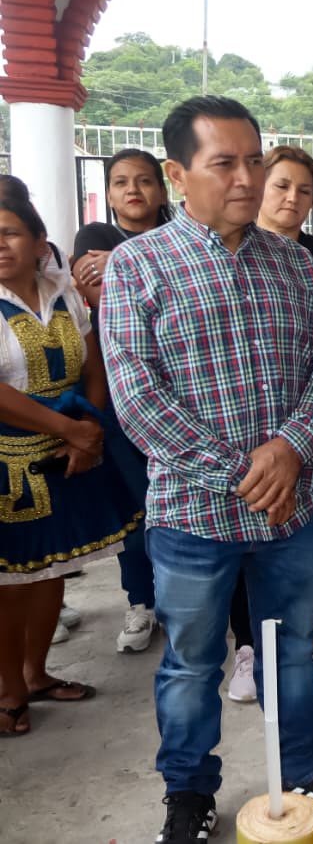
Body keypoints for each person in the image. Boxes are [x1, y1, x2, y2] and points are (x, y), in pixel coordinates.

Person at [99, 96, 313, 841]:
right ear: (177, 173)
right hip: (194, 515)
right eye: (225, 163)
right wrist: (241, 472)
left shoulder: (292, 258)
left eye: (254, 159)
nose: (248, 178)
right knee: (191, 662)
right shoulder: (138, 267)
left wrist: (292, 448)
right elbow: (137, 395)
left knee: (292, 650)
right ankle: (189, 791)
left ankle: (308, 771)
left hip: (293, 508)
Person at [221, 144, 313, 699]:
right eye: (282, 185)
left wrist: (300, 428)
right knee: (243, 533)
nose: (292, 198)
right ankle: (248, 649)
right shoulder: (231, 255)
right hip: (238, 428)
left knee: (299, 530)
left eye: (304, 190)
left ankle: (299, 641)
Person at [0, 175, 139, 736]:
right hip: (10, 465)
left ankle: (37, 672)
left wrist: (88, 425)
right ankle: (8, 686)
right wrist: (70, 429)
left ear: (38, 242)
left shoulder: (61, 290)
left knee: (54, 568)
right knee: (12, 582)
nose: (0, 245)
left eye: (10, 234)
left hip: (68, 453)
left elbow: (92, 362)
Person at [70, 147, 171, 654]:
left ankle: (184, 600)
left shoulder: (184, 237)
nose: (133, 190)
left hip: (182, 390)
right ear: (108, 194)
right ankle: (142, 601)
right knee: (138, 506)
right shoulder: (95, 238)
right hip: (121, 393)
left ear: (163, 188)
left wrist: (125, 269)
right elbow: (95, 292)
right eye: (120, 182)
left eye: (145, 180)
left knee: (178, 504)